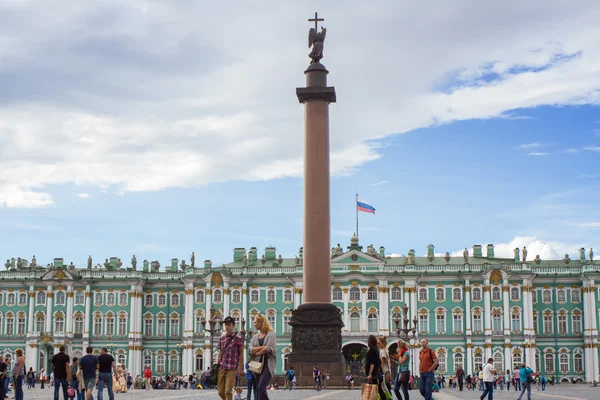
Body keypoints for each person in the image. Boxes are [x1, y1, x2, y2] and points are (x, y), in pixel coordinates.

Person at [249, 314, 277, 400]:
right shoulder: (255, 337)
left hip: (267, 364)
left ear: (262, 322)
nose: (254, 324)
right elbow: (250, 350)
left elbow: (268, 348)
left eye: (256, 322)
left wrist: (257, 352)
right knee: (258, 388)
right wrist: (262, 348)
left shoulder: (271, 334)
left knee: (261, 386)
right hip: (257, 365)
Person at [217, 316, 244, 400]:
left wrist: (240, 367)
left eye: (229, 324)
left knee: (228, 391)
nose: (227, 327)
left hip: (232, 368)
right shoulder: (222, 338)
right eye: (226, 325)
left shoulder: (237, 339)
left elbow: (241, 354)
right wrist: (218, 362)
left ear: (233, 325)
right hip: (222, 367)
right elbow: (221, 351)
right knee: (220, 391)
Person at [365, 334, 386, 400]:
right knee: (379, 390)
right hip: (377, 373)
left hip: (374, 374)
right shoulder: (376, 349)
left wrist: (370, 373)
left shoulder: (372, 350)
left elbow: (372, 363)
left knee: (375, 390)